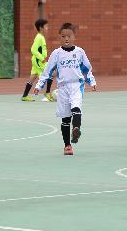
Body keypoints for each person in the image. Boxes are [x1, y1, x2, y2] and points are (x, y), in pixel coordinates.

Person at [33, 22, 98, 156]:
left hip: (76, 86)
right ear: (59, 38)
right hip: (62, 88)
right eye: (63, 36)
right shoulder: (56, 54)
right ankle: (67, 145)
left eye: (69, 36)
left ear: (74, 37)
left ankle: (76, 129)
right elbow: (47, 71)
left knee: (76, 108)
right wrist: (39, 85)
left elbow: (86, 69)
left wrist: (92, 81)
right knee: (65, 118)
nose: (66, 39)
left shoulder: (80, 52)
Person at [22, 19, 53, 102]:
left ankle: (25, 96)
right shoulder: (39, 37)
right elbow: (33, 49)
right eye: (46, 26)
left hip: (37, 61)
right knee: (51, 73)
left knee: (33, 77)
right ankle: (47, 93)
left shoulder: (41, 37)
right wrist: (42, 58)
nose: (47, 28)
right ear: (41, 28)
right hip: (39, 61)